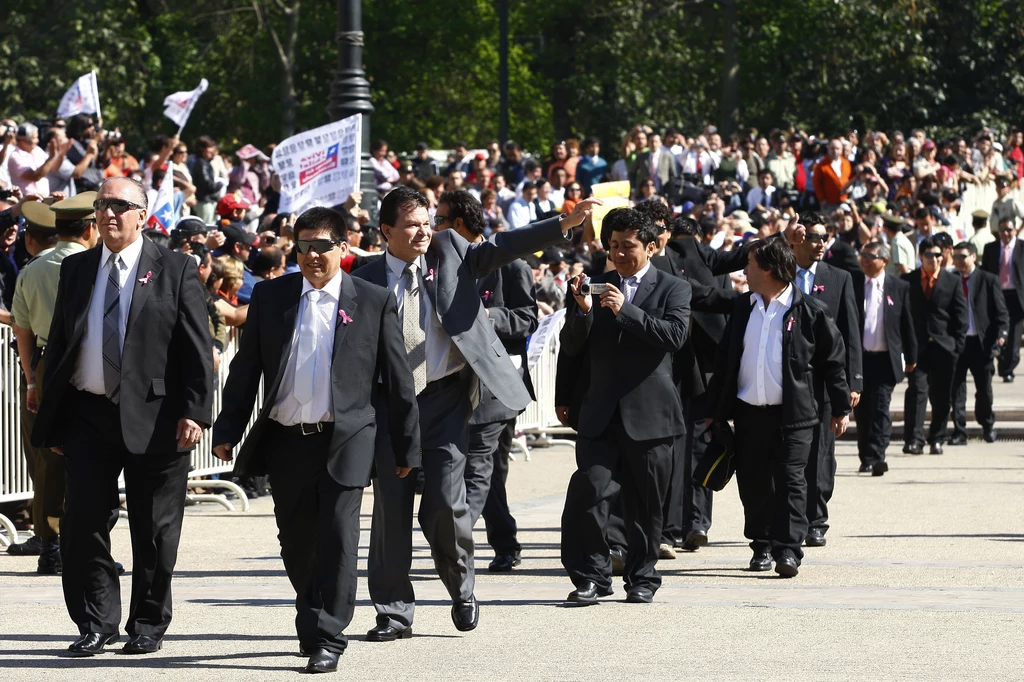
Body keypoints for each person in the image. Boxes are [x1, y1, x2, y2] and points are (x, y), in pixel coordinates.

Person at [351, 186, 598, 640]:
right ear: (386, 230)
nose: (424, 231)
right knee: (391, 508)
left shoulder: (450, 251)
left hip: (445, 398)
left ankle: (461, 586)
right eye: (412, 224)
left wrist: (563, 224)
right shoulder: (364, 277)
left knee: (446, 503)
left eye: (428, 221)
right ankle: (393, 613)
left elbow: (502, 246)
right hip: (389, 406)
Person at [211, 206, 419, 673]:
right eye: (303, 246)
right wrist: (227, 430)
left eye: (322, 246)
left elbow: (398, 380)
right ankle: (314, 612)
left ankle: (329, 634)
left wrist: (406, 447)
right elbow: (245, 373)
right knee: (296, 541)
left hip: (347, 438)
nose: (312, 255)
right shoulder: (270, 297)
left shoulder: (373, 299)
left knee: (339, 539)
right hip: (288, 440)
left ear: (343, 249)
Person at [31, 176, 214, 656]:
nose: (109, 213)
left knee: (154, 529)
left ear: (142, 214)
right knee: (82, 523)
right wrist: (52, 413)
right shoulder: (76, 269)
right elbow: (63, 344)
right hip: (87, 413)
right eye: (102, 205)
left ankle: (147, 623)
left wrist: (196, 410)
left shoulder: (175, 268)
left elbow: (197, 348)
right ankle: (96, 621)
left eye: (120, 205)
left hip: (158, 416)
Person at [558, 207, 691, 605]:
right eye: (612, 245)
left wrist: (625, 310)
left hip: (651, 415)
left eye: (627, 246)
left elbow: (675, 336)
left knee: (645, 505)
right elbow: (571, 348)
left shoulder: (673, 288)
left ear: (650, 247)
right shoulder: (594, 285)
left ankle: (643, 576)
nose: (617, 253)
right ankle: (591, 576)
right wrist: (582, 313)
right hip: (600, 412)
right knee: (588, 491)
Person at [706, 238, 850, 578]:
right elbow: (726, 360)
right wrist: (714, 408)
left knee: (791, 481)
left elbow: (833, 362)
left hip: (795, 416)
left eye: (750, 263)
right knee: (754, 483)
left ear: (768, 269)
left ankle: (788, 549)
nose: (744, 270)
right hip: (749, 412)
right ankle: (761, 544)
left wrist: (840, 408)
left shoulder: (810, 310)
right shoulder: (743, 308)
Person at [435, 190, 537, 572]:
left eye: (440, 221)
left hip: (497, 384)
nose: (434, 229)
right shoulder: (441, 262)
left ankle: (462, 544)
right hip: (453, 382)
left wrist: (487, 317)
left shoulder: (511, 266)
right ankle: (504, 540)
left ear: (460, 225)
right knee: (485, 469)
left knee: (483, 465)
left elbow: (527, 318)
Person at [7, 194, 99, 572]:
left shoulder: (32, 269)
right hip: (94, 360)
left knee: (46, 457)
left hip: (46, 362)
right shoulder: (96, 266)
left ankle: (52, 544)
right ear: (91, 228)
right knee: (99, 450)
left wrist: (31, 379)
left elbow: (22, 329)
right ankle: (92, 543)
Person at [788, 214, 862, 547]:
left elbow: (850, 332)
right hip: (787, 376)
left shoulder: (840, 278)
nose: (820, 244)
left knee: (822, 451)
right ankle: (792, 517)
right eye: (814, 237)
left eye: (824, 238)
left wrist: (853, 381)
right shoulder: (781, 273)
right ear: (798, 239)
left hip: (824, 379)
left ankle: (817, 518)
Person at [850, 242, 917, 475]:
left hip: (885, 360)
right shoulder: (853, 283)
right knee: (862, 411)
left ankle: (878, 455)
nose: (866, 260)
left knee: (880, 408)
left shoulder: (898, 286)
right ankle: (865, 456)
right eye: (863, 255)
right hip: (859, 360)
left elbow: (906, 324)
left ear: (884, 261)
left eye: (871, 256)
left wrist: (911, 356)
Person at [902, 237, 968, 455]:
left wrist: (956, 346)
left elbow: (961, 316)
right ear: (921, 256)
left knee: (942, 396)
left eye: (939, 255)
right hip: (917, 348)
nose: (935, 259)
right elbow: (902, 316)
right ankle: (914, 439)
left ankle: (937, 437)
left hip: (944, 347)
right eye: (930, 255)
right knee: (917, 392)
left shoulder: (952, 281)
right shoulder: (908, 281)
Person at [950, 242, 1008, 445]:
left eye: (962, 256)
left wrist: (1002, 333)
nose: (958, 261)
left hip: (981, 343)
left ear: (974, 256)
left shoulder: (988, 280)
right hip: (957, 343)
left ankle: (987, 424)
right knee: (955, 389)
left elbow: (1001, 312)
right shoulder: (950, 280)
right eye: (955, 257)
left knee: (984, 389)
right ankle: (959, 430)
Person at [981, 217, 1024, 382]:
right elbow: (985, 273)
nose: (1006, 233)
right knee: (997, 332)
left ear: (1015, 230)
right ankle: (1002, 361)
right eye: (1002, 230)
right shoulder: (990, 248)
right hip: (997, 295)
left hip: (1016, 296)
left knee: (1014, 335)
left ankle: (1008, 369)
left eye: (1009, 230)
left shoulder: (1021, 247)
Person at [8, 123, 69, 196]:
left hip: (42, 200)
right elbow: (35, 176)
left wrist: (62, 154)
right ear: (22, 140)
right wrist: (51, 157)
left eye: (37, 137)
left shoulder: (37, 150)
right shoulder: (15, 157)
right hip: (26, 202)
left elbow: (53, 168)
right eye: (33, 138)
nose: (37, 141)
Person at [813, 139, 852, 213]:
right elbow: (816, 184)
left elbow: (850, 179)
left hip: (844, 200)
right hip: (829, 203)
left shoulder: (846, 163)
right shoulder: (821, 165)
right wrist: (822, 199)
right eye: (832, 148)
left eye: (837, 149)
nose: (835, 151)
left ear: (841, 150)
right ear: (828, 149)